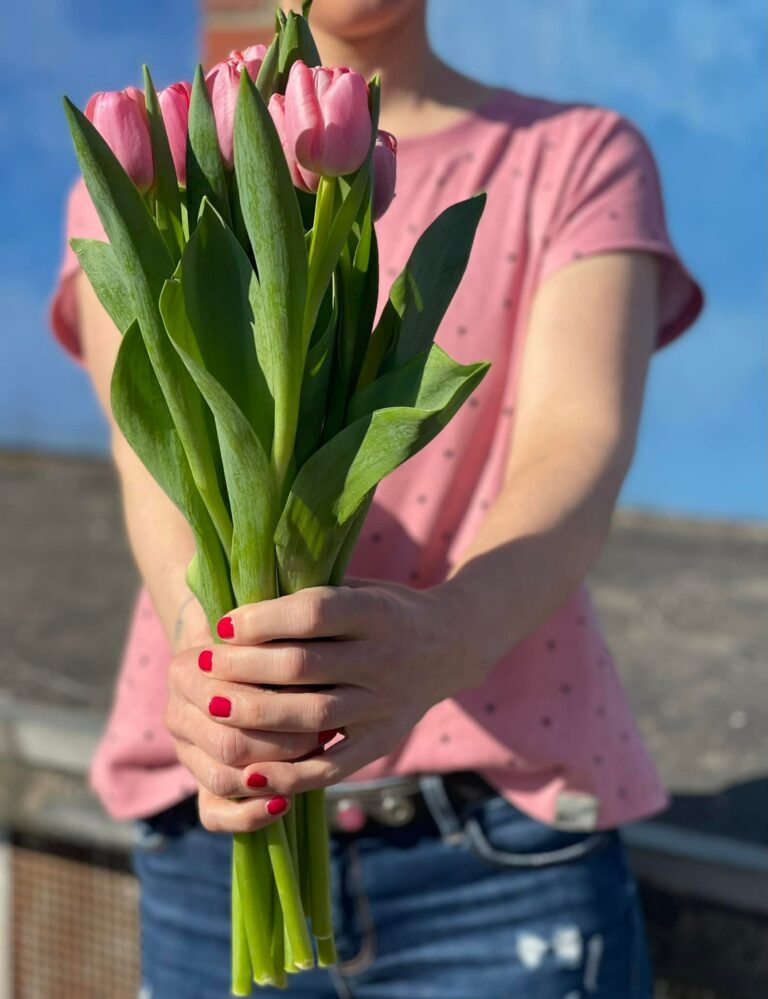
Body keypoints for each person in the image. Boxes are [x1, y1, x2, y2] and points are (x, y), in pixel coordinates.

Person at [49, 1, 704, 996]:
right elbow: (157, 464)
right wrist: (213, 658)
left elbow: (578, 449)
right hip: (220, 808)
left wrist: (447, 635)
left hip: (502, 834)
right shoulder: (137, 191)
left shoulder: (576, 155)